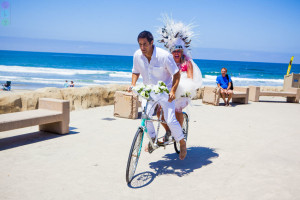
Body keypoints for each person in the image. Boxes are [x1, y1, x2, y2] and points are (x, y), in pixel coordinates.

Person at [129, 30, 187, 160]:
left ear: (151, 42)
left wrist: (172, 91)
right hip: (148, 91)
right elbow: (135, 71)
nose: (142, 48)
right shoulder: (137, 55)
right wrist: (133, 84)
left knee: (170, 119)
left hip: (164, 92)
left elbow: (176, 74)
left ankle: (182, 143)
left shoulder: (164, 56)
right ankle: (153, 139)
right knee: (146, 116)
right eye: (140, 44)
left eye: (145, 44)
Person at [156, 15, 203, 140]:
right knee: (159, 113)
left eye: (179, 51)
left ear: (182, 52)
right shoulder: (168, 62)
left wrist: (184, 89)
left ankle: (179, 134)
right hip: (169, 89)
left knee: (177, 111)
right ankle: (168, 132)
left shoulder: (187, 63)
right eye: (174, 51)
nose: (176, 53)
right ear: (171, 52)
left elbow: (190, 78)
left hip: (182, 92)